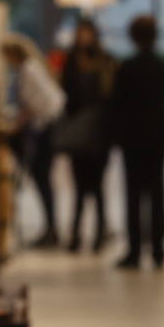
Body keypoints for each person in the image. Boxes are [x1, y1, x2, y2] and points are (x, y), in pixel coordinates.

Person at [110, 15, 164, 270]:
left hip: (133, 138)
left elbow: (118, 104)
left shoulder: (126, 67)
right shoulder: (163, 67)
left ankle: (134, 250)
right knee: (157, 193)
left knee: (133, 195)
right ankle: (158, 249)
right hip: (157, 136)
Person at [1, 34, 66, 248]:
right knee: (42, 179)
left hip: (45, 130)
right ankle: (50, 227)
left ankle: (51, 228)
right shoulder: (34, 67)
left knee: (42, 178)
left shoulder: (28, 70)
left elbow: (32, 105)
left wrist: (15, 125)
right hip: (46, 127)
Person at [57, 18, 115, 254]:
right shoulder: (70, 61)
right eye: (81, 33)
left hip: (100, 133)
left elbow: (111, 96)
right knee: (79, 187)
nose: (84, 37)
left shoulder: (106, 61)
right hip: (78, 132)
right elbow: (65, 94)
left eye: (88, 32)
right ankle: (76, 233)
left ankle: (100, 233)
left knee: (98, 186)